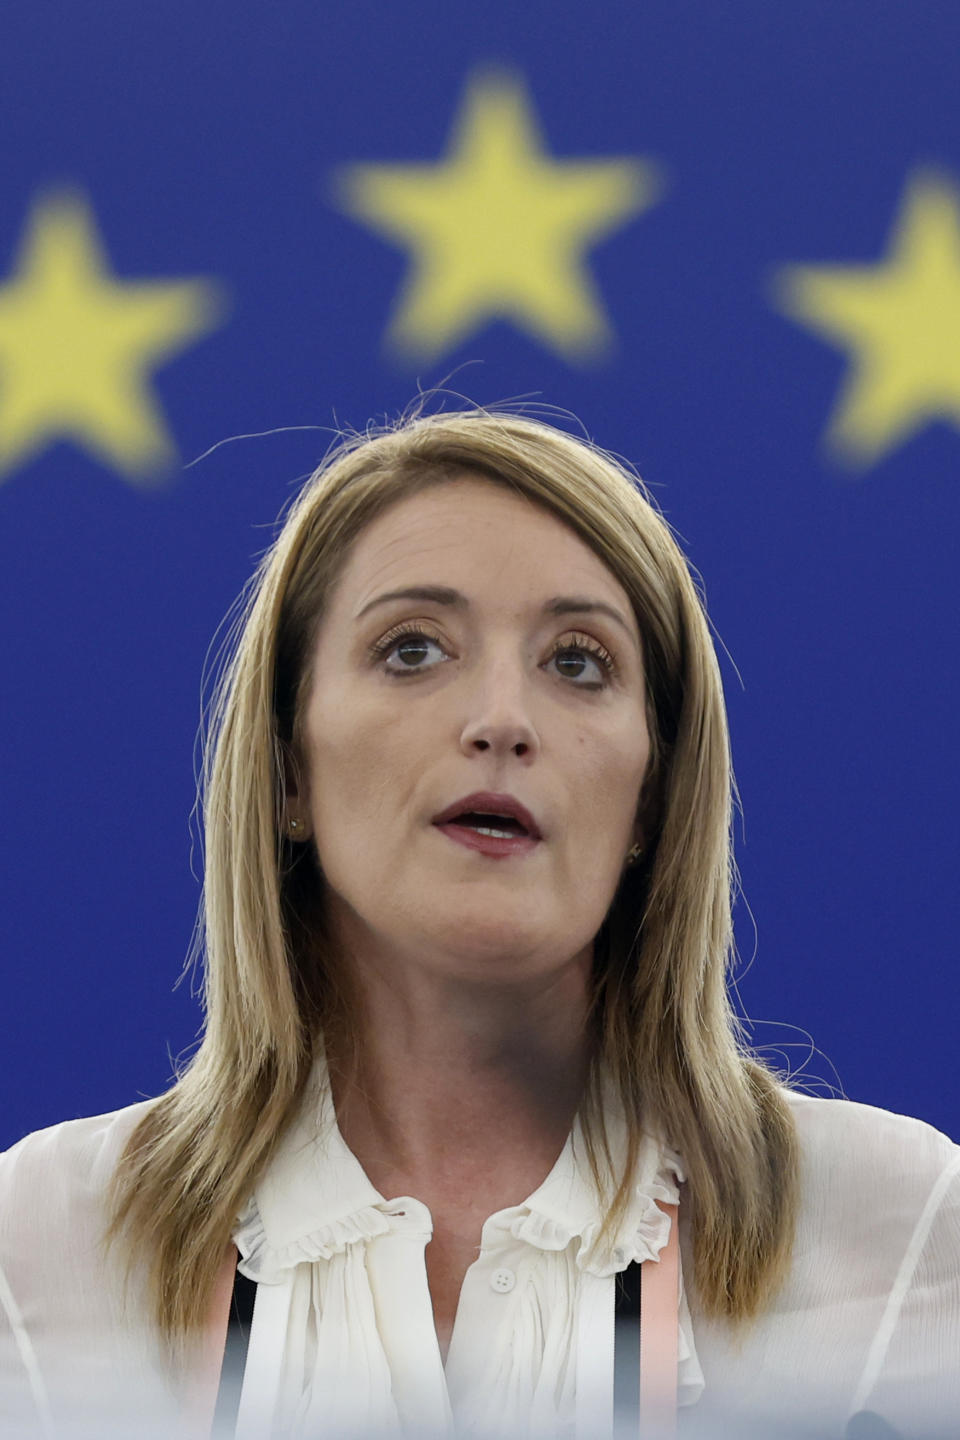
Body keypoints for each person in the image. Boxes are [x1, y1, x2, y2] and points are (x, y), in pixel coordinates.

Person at [0, 408, 957, 1440]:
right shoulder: (36, 1250)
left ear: (651, 798)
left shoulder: (906, 1230)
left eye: (579, 662)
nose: (502, 719)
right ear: (288, 770)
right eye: (413, 649)